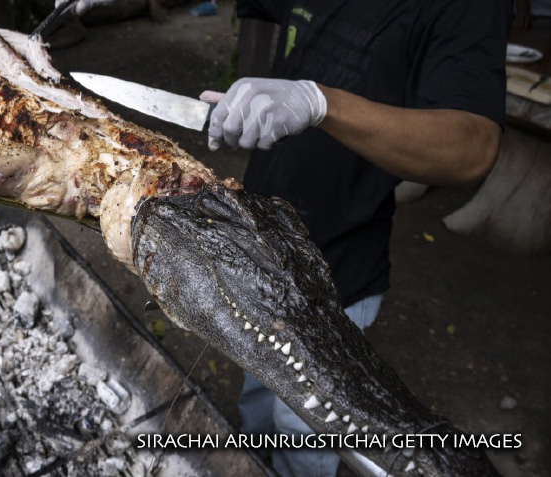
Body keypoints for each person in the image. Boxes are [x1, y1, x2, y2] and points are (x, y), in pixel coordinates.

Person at [207, 1, 510, 476]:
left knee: (303, 425)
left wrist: (321, 103)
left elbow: (472, 148)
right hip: (259, 249)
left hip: (337, 270)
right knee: (258, 390)